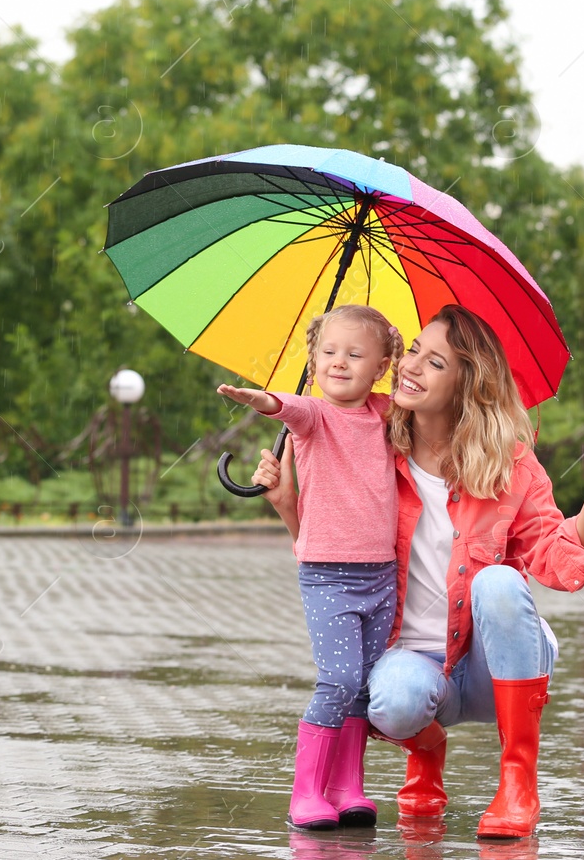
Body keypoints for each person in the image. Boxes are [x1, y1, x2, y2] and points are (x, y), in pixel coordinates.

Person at [254, 304, 584, 839]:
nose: (410, 367)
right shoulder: (370, 436)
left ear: (465, 383)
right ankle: (427, 752)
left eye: (434, 363)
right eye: (412, 351)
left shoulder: (508, 462)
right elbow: (331, 550)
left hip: (485, 664)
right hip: (414, 661)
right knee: (389, 702)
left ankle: (517, 783)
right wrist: (287, 504)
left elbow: (559, 562)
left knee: (498, 581)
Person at [217, 303, 406, 831]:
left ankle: (348, 788)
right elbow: (286, 408)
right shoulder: (314, 415)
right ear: (312, 359)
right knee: (338, 678)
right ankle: (306, 792)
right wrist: (261, 400)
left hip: (381, 575)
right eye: (327, 352)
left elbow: (425, 405)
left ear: (381, 367)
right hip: (329, 574)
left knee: (364, 686)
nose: (338, 362)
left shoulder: (386, 415)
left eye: (354, 354)